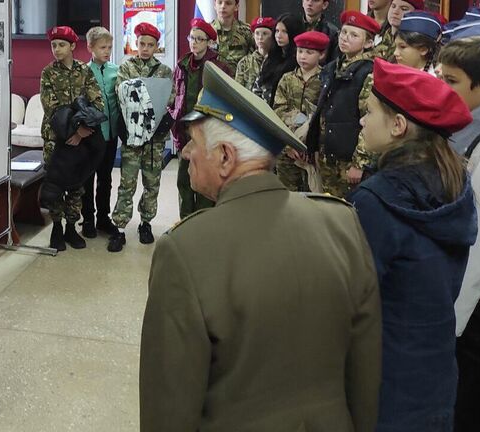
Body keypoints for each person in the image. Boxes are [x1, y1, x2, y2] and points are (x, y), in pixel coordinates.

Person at [140, 61, 382, 432]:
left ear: (225, 157)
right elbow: (365, 374)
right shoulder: (341, 222)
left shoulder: (186, 250)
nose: (186, 153)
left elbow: (169, 404)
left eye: (193, 142)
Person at [349, 58, 476, 432]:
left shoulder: (376, 199)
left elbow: (355, 300)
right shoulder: (453, 185)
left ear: (398, 126)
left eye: (369, 112)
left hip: (386, 381)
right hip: (434, 374)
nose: (362, 121)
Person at [439, 36, 480, 432]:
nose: (443, 88)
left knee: (470, 399)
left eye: (452, 81)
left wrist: (453, 322)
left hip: (476, 305)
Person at [109, 22, 173, 252]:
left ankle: (146, 223)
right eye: (141, 44)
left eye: (150, 44)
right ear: (135, 45)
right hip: (133, 136)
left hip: (155, 138)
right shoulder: (126, 67)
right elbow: (121, 95)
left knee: (152, 183)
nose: (145, 48)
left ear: (157, 47)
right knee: (127, 183)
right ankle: (119, 228)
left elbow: (169, 100)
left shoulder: (165, 71)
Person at [39, 26, 104, 251]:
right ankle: (57, 227)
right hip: (55, 138)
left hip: (81, 138)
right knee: (56, 181)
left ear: (73, 46)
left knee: (77, 184)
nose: (57, 49)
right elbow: (51, 108)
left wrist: (82, 131)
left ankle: (71, 227)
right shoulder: (48, 73)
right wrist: (73, 131)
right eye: (54, 45)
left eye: (62, 45)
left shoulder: (85, 72)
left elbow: (97, 102)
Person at [306, 11, 380, 198]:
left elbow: (369, 120)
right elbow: (321, 110)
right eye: (344, 32)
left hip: (348, 159)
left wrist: (359, 163)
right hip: (326, 153)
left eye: (354, 35)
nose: (345, 38)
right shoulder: (333, 67)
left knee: (348, 210)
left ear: (369, 43)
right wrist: (313, 145)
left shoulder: (369, 72)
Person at [171, 19, 234, 219]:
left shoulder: (219, 67)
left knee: (206, 182)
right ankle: (186, 222)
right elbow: (174, 97)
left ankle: (205, 223)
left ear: (209, 42)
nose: (194, 43)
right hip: (184, 133)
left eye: (200, 39)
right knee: (184, 180)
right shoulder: (181, 65)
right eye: (192, 38)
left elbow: (225, 103)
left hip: (208, 135)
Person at [273, 31, 328, 191]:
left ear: (321, 55)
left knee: (312, 197)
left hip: (314, 151)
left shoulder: (325, 79)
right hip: (287, 149)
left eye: (309, 52)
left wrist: (310, 146)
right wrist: (290, 144)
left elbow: (324, 116)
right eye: (300, 51)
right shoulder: (287, 79)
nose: (303, 56)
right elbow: (279, 110)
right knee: (288, 196)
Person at [81, 26, 120, 238]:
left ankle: (103, 218)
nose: (107, 51)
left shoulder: (116, 70)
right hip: (92, 135)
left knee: (106, 178)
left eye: (109, 47)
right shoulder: (84, 73)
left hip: (111, 135)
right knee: (88, 178)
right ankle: (87, 218)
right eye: (102, 47)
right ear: (90, 48)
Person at [257, 13, 305, 106]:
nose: (279, 35)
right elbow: (258, 86)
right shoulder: (272, 57)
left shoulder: (299, 61)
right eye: (277, 31)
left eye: (285, 31)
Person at [211, 0, 254, 74]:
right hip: (213, 79)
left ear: (236, 7)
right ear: (215, 5)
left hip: (238, 81)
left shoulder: (246, 31)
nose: (223, 6)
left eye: (228, 3)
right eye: (220, 2)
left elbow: (253, 60)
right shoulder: (206, 31)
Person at [235, 17, 275, 92]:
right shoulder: (245, 62)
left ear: (272, 36)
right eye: (257, 33)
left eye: (265, 34)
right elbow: (238, 91)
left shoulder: (278, 62)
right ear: (253, 36)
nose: (260, 37)